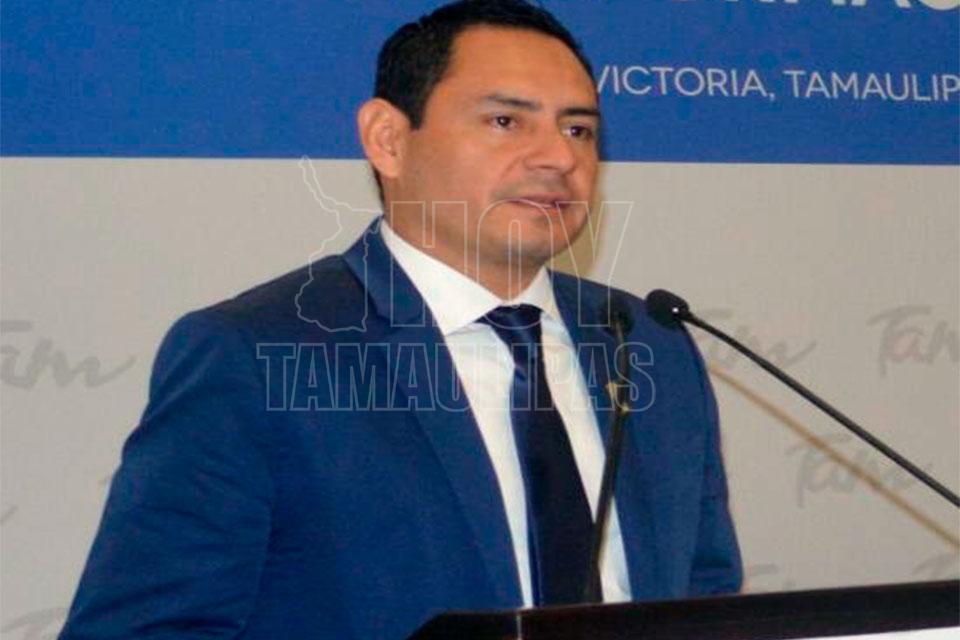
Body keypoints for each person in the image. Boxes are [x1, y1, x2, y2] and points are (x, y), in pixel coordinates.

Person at [59, 1, 741, 639]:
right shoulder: (254, 352)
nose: (559, 157)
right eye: (506, 122)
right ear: (388, 140)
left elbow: (706, 602)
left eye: (578, 130)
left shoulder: (649, 341)